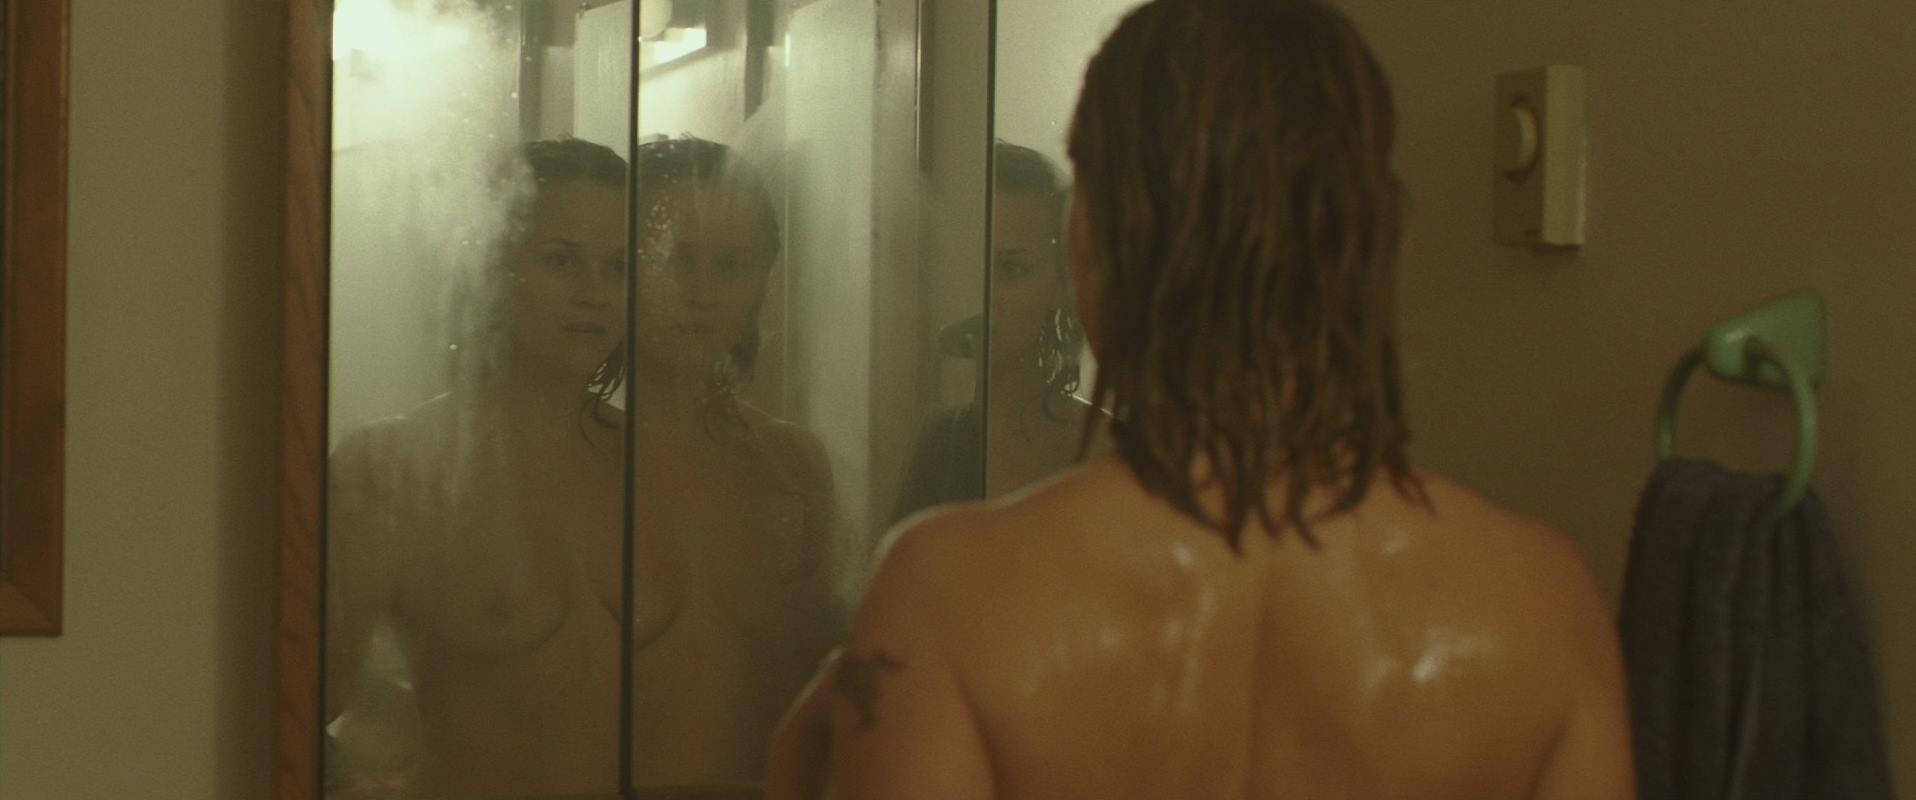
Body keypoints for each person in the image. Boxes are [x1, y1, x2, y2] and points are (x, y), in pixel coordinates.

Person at [766, 1, 1635, 798]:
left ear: (1089, 241)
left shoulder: (950, 595)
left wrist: (800, 761)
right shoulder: (1538, 605)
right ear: (1370, 241)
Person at [327, 137, 838, 799]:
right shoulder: (392, 466)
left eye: (619, 266)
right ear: (490, 266)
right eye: (563, 261)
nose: (593, 294)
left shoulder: (657, 458)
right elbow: (303, 695)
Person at [891, 142, 1091, 523]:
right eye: (975, 267)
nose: (986, 295)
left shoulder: (1102, 444)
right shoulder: (940, 441)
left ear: (1059, 284)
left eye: (1011, 270)